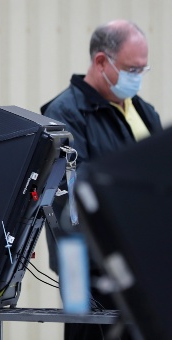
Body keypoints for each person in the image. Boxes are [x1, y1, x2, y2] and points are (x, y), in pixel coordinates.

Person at [40, 19, 162, 339]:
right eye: (131, 69)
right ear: (101, 61)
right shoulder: (66, 114)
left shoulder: (142, 111)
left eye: (142, 70)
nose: (137, 78)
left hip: (141, 260)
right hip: (90, 264)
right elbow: (77, 195)